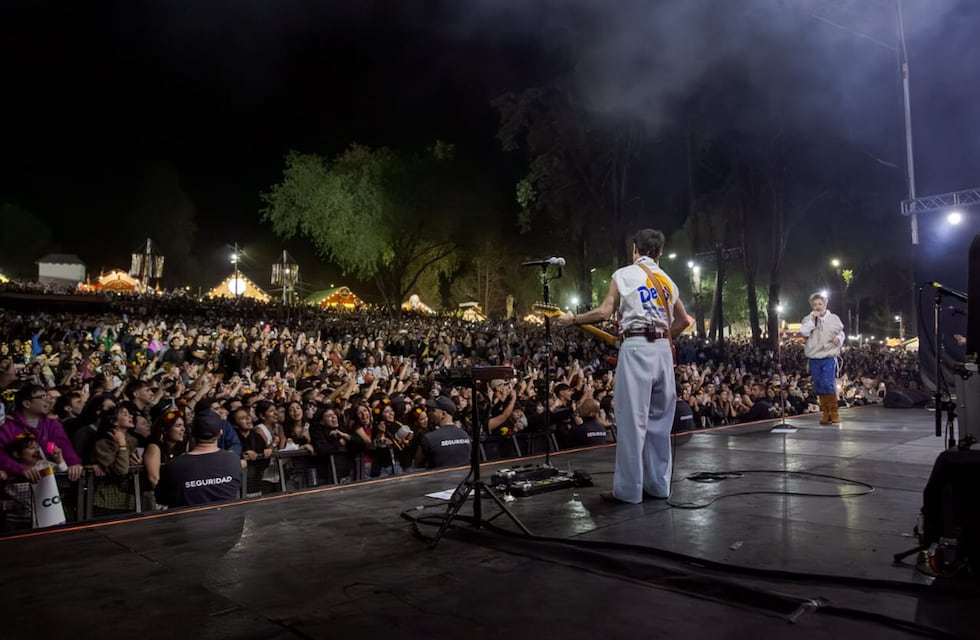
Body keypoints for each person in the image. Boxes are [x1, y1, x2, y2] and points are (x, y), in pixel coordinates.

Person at [555, 228, 691, 503]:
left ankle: (629, 491)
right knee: (660, 422)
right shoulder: (668, 281)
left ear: (634, 249)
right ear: (660, 252)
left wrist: (574, 320)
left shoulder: (624, 275)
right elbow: (684, 321)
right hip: (663, 350)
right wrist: (665, 338)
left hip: (637, 346)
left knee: (632, 421)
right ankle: (659, 486)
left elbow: (605, 312)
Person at [155, 411, 242, 507]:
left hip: (188, 520)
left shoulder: (174, 465)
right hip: (226, 520)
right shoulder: (233, 460)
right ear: (220, 433)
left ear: (192, 433)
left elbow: (161, 497)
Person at [799, 292, 845, 425]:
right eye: (815, 305)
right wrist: (813, 319)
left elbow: (841, 332)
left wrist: (839, 339)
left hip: (828, 356)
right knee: (819, 384)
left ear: (825, 304)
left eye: (820, 304)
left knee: (828, 383)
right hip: (814, 356)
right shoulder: (809, 319)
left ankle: (834, 412)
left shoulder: (834, 318)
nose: (817, 307)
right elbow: (804, 332)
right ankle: (825, 413)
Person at [414, 395, 470, 469]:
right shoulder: (465, 436)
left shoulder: (430, 439)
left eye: (433, 411)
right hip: (464, 479)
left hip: (438, 479)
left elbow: (417, 465)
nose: (429, 413)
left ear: (443, 414)